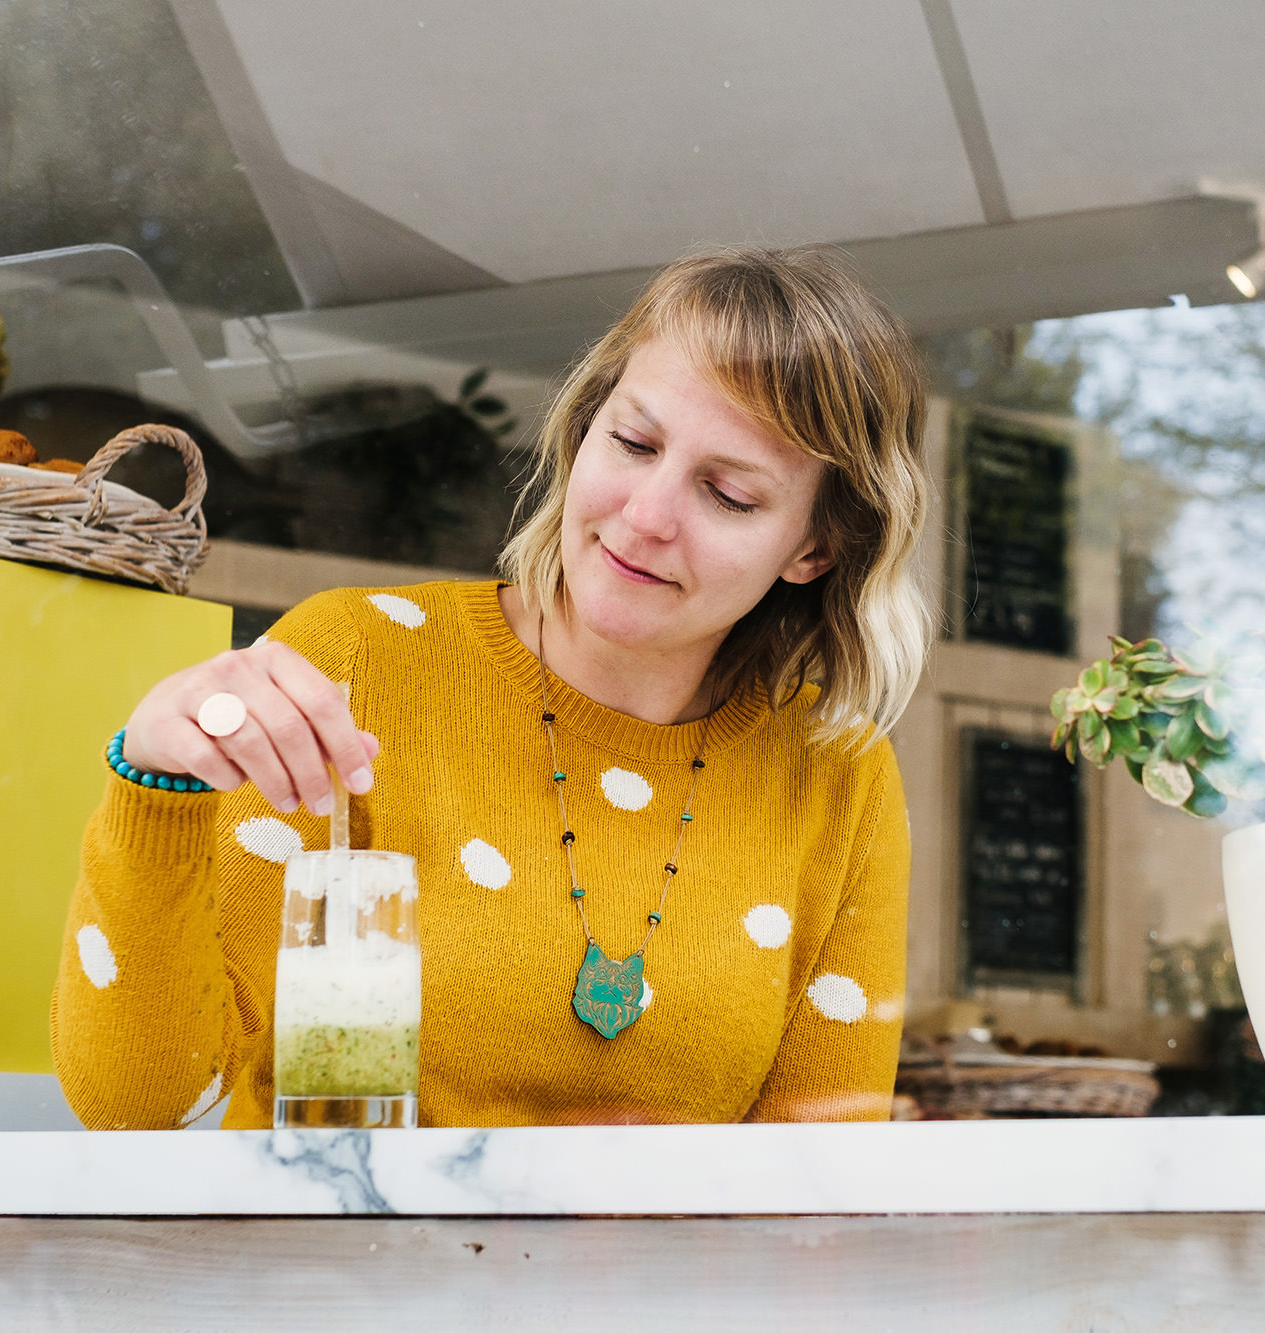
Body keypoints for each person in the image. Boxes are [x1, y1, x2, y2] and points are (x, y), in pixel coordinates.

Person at [51, 246, 932, 1129]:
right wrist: (159, 784)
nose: (645, 515)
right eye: (633, 442)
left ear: (815, 548)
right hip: (340, 1268)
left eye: (729, 494)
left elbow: (817, 1183)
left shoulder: (836, 770)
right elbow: (144, 1109)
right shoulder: (356, 665)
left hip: (654, 1275)